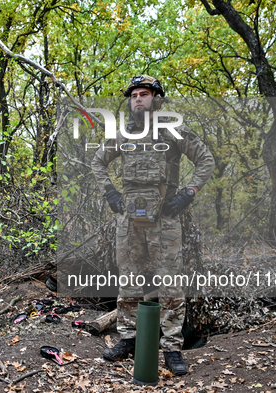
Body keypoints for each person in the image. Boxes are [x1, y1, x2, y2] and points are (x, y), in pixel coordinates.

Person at [90, 75, 214, 375]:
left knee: (170, 283)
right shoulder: (122, 134)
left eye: (144, 94)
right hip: (129, 219)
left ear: (157, 99)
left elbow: (206, 160)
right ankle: (129, 339)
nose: (138, 100)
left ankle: (171, 348)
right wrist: (110, 192)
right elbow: (98, 161)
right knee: (128, 281)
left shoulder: (173, 131)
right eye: (133, 96)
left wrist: (187, 193)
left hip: (165, 218)